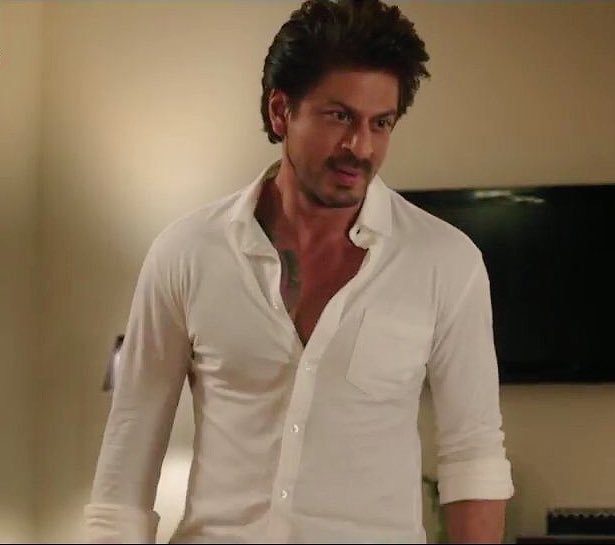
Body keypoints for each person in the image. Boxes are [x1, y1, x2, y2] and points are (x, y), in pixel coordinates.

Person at [84, 0, 514, 542]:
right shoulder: (186, 253)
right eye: (339, 117)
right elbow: (127, 456)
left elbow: (473, 457)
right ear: (280, 111)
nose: (360, 147)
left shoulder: (445, 261)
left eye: (380, 123)